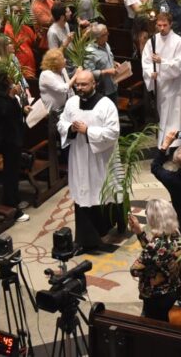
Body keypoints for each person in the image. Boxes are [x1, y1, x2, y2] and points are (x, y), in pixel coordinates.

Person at [57, 70, 121, 254]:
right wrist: (71, 128)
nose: (80, 88)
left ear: (94, 84)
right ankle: (86, 239)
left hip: (98, 158)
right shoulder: (71, 103)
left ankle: (103, 230)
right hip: (79, 156)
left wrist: (88, 131)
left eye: (84, 84)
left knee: (99, 192)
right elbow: (61, 123)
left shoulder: (105, 104)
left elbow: (113, 132)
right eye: (77, 84)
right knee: (83, 196)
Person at [0, 69, 30, 222]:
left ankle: (15, 199)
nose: (10, 80)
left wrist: (23, 110)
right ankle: (11, 206)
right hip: (7, 139)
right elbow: (4, 112)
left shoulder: (3, 94)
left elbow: (13, 111)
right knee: (10, 173)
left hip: (14, 135)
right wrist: (11, 95)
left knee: (15, 171)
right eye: (7, 78)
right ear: (1, 81)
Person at [127, 199, 181, 321]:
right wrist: (139, 232)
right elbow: (153, 255)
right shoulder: (175, 234)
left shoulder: (155, 245)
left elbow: (134, 270)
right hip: (172, 289)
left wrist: (146, 267)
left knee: (155, 328)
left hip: (155, 297)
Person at [142, 12, 181, 142]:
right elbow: (146, 61)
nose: (162, 28)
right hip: (160, 85)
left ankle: (176, 143)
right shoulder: (153, 41)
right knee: (162, 114)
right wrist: (151, 72)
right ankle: (163, 143)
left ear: (170, 24)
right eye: (159, 25)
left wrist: (163, 62)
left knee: (175, 114)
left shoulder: (178, 41)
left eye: (165, 25)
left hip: (174, 85)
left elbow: (180, 64)